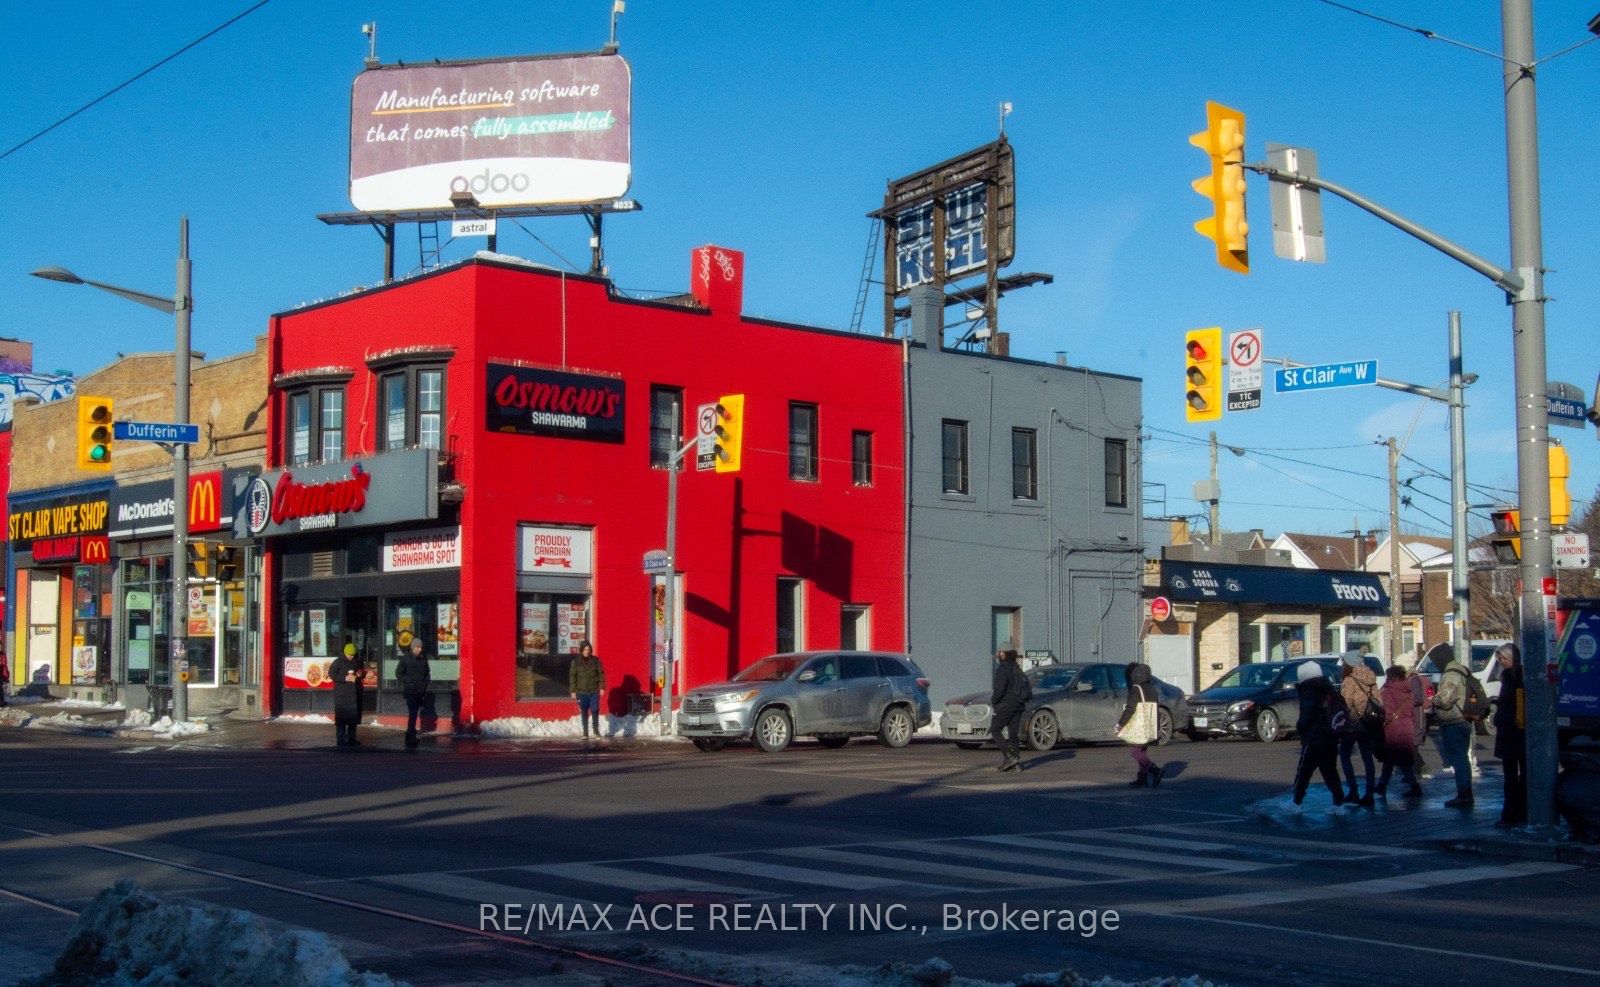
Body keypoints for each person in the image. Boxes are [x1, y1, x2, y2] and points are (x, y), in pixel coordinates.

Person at [1292, 661, 1345, 807]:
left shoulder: (1308, 691)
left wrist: (1300, 727)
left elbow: (1307, 715)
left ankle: (1296, 801)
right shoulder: (1328, 688)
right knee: (1330, 772)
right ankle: (1339, 801)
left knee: (1303, 772)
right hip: (1330, 737)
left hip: (1313, 739)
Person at [1431, 645, 1475, 807]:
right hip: (1464, 719)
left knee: (1458, 759)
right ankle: (1466, 792)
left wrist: (1434, 699)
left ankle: (1464, 794)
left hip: (1453, 721)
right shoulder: (1463, 670)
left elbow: (1445, 699)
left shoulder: (1451, 674)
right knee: (1462, 758)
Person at [1338, 650, 1382, 807]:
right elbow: (1378, 700)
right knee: (1367, 758)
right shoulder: (1371, 678)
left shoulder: (1349, 680)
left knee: (1344, 754)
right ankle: (1369, 793)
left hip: (1353, 724)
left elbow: (1345, 704)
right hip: (1369, 723)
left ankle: (1353, 790)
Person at [1376, 665, 1423, 799]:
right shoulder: (1408, 691)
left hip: (1392, 729)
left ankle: (1414, 787)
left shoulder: (1387, 691)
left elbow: (1386, 712)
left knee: (1396, 760)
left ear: (1392, 677)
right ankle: (1382, 785)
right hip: (1406, 727)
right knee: (1395, 760)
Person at [1493, 642, 1527, 828]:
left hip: (1513, 733)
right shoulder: (1511, 677)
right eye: (1499, 658)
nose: (1500, 661)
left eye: (1503, 658)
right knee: (1517, 777)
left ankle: (1512, 814)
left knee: (1512, 778)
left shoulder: (1513, 679)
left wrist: (1501, 718)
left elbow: (1512, 707)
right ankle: (1518, 813)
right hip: (1513, 733)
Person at [1118, 662, 1164, 788]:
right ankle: (1142, 779)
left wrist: (1121, 723)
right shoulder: (1152, 689)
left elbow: (1130, 709)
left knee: (1135, 752)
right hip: (1150, 725)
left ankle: (1155, 770)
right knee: (1142, 750)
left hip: (1139, 726)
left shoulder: (1136, 689)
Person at [989, 649, 1030, 772]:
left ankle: (1009, 757)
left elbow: (999, 690)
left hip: (1006, 705)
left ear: (1004, 654)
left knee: (995, 729)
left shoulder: (1003, 669)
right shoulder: (1016, 667)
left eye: (1001, 652)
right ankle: (1016, 763)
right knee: (1013, 733)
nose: (998, 654)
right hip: (1019, 705)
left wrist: (994, 701)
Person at [396, 638, 432, 750]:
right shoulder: (405, 658)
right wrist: (408, 681)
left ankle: (409, 735)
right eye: (417, 647)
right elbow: (398, 673)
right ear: (412, 648)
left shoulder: (423, 658)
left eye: (420, 647)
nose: (419, 649)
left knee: (414, 714)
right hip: (410, 691)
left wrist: (425, 684)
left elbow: (427, 672)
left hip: (420, 691)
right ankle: (411, 736)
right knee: (413, 714)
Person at [568, 641, 606, 740]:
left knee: (595, 709)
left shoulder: (596, 661)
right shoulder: (575, 662)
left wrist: (602, 687)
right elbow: (572, 676)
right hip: (581, 692)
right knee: (584, 711)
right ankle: (585, 732)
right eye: (585, 649)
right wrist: (573, 690)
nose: (587, 651)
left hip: (594, 691)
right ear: (581, 650)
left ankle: (596, 731)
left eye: (588, 649)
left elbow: (601, 674)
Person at [329, 642, 364, 747]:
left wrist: (359, 675)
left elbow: (362, 672)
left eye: (352, 655)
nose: (351, 657)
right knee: (341, 718)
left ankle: (352, 739)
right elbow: (331, 674)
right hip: (342, 694)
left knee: (353, 718)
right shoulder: (338, 662)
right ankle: (341, 739)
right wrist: (344, 678)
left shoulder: (358, 661)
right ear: (345, 653)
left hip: (355, 694)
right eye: (349, 655)